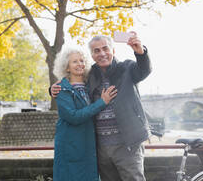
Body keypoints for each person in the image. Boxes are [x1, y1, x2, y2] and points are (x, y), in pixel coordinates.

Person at [51, 32, 152, 181]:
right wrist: (53, 89)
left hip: (127, 145)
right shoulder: (90, 75)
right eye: (96, 51)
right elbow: (73, 82)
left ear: (113, 51)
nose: (102, 53)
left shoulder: (127, 68)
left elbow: (144, 70)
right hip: (100, 148)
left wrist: (141, 53)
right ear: (92, 55)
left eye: (105, 49)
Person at [52, 45, 117, 181]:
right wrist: (102, 102)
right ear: (67, 67)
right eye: (75, 61)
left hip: (89, 145)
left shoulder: (89, 85)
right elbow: (73, 117)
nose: (80, 64)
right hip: (71, 145)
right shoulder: (62, 89)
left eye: (82, 61)